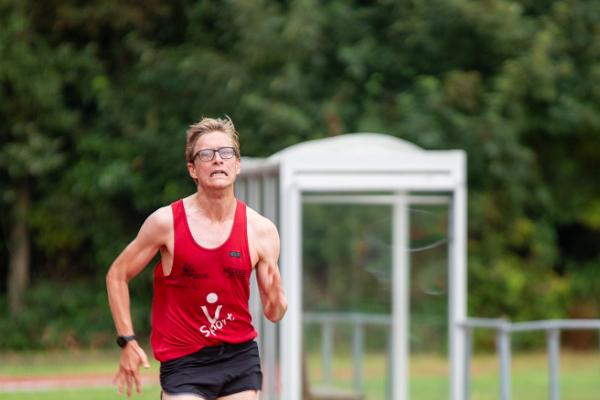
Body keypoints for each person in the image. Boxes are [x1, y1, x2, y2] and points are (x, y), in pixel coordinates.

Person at [106, 116, 287, 400]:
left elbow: (274, 313)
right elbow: (117, 274)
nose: (218, 160)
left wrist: (278, 299)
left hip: (239, 358)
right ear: (192, 169)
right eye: (206, 154)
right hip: (184, 361)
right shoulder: (166, 223)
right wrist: (127, 340)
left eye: (226, 152)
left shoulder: (261, 230)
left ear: (237, 164)